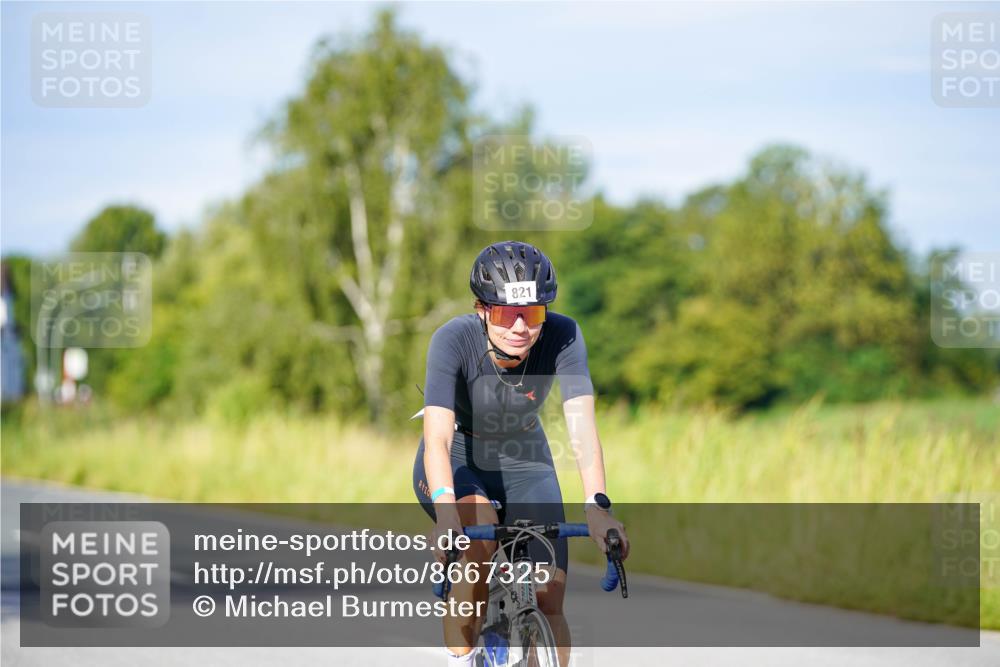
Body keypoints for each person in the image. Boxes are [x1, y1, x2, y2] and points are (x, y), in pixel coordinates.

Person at [412, 240, 629, 666]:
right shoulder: (452, 339)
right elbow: (437, 438)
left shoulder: (564, 336)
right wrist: (446, 515)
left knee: (549, 596)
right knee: (478, 550)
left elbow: (582, 427)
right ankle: (464, 655)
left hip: (525, 456)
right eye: (504, 314)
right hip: (460, 455)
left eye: (531, 314)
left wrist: (597, 506)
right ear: (481, 309)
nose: (519, 327)